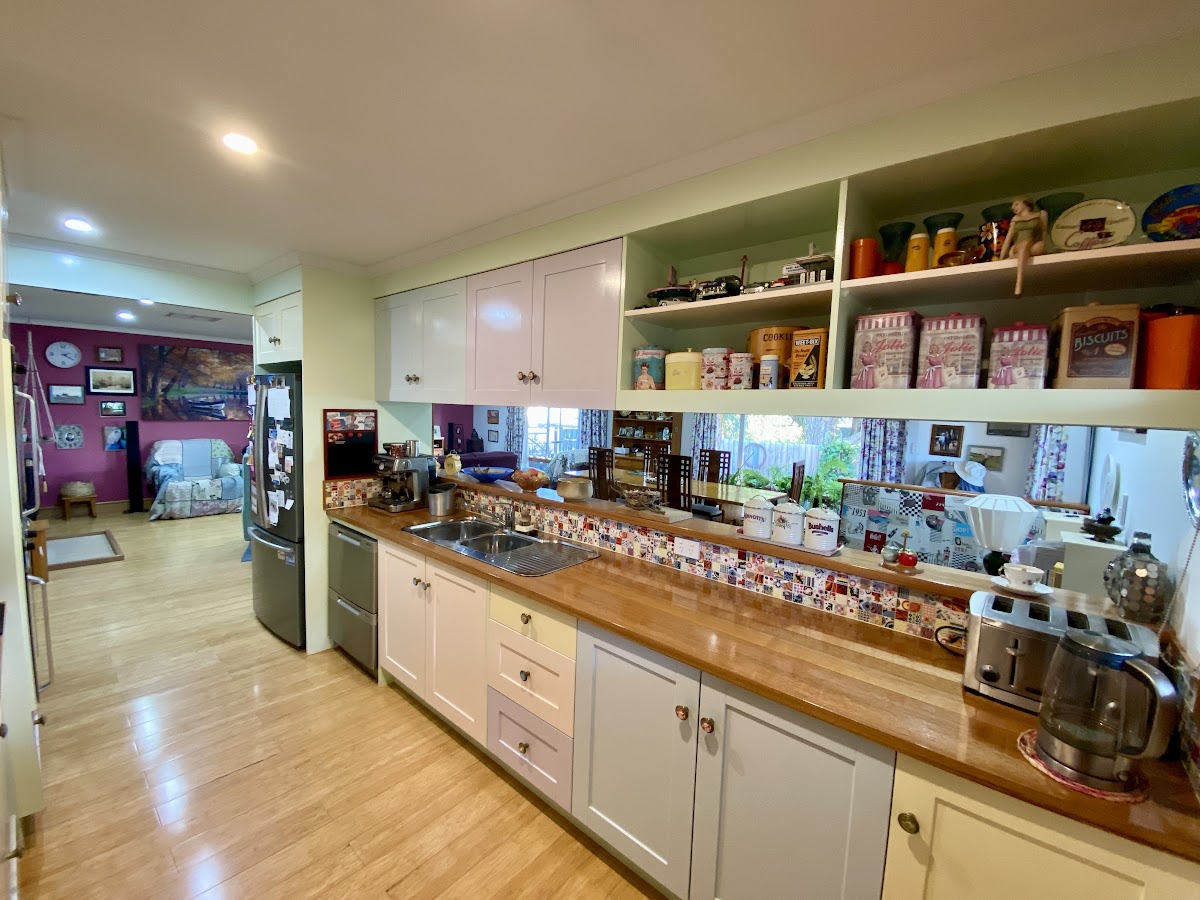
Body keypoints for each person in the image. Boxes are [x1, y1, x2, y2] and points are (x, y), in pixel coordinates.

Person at [999, 198, 1048, 296]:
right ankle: (1019, 283)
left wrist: (1044, 248)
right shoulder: (1015, 219)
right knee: (1024, 244)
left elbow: (1043, 232)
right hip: (1017, 247)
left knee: (1036, 245)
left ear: (1025, 203)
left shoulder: (1041, 214)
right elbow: (1008, 240)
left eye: (1016, 204)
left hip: (1034, 245)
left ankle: (1015, 257)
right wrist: (1001, 258)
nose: (1013, 207)